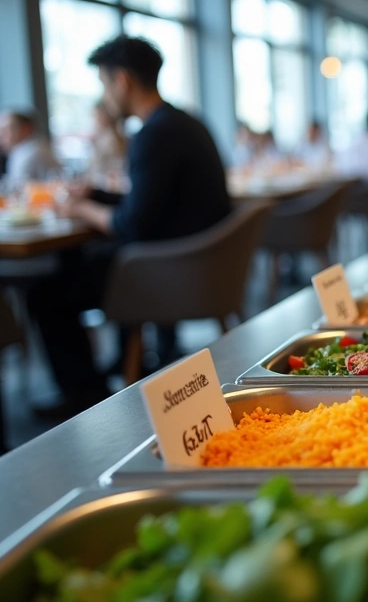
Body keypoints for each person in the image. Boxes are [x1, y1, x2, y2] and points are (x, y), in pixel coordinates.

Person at [33, 35, 231, 419]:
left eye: (104, 85)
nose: (106, 98)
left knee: (46, 293)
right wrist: (94, 194)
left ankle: (84, 396)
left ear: (122, 81)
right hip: (201, 261)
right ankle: (124, 363)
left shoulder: (153, 134)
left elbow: (131, 224)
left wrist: (79, 206)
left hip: (168, 273)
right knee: (76, 265)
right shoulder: (183, 122)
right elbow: (152, 201)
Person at [0, 109, 60, 188]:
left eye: (6, 130)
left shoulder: (30, 153)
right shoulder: (33, 146)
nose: (1, 136)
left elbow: (17, 192)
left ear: (25, 129)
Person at [88, 102, 127, 191]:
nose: (95, 119)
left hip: (103, 186)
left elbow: (113, 169)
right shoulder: (109, 135)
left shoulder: (109, 138)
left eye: (96, 116)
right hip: (103, 185)